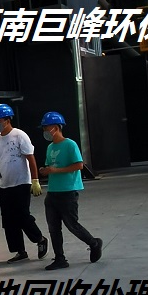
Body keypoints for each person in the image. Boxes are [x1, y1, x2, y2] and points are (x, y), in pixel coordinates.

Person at [0, 104, 48, 263]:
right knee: (8, 220)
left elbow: (30, 158)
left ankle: (40, 239)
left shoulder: (19, 135)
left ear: (7, 119)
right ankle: (20, 251)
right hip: (5, 185)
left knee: (22, 215)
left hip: (22, 183)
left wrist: (35, 180)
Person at [38, 111, 103, 270]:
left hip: (67, 191)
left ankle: (94, 243)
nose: (45, 131)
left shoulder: (70, 144)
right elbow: (50, 166)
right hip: (53, 192)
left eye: (46, 127)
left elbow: (79, 165)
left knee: (72, 224)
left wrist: (56, 170)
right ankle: (60, 258)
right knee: (53, 228)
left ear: (55, 127)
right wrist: (45, 170)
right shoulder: (50, 147)